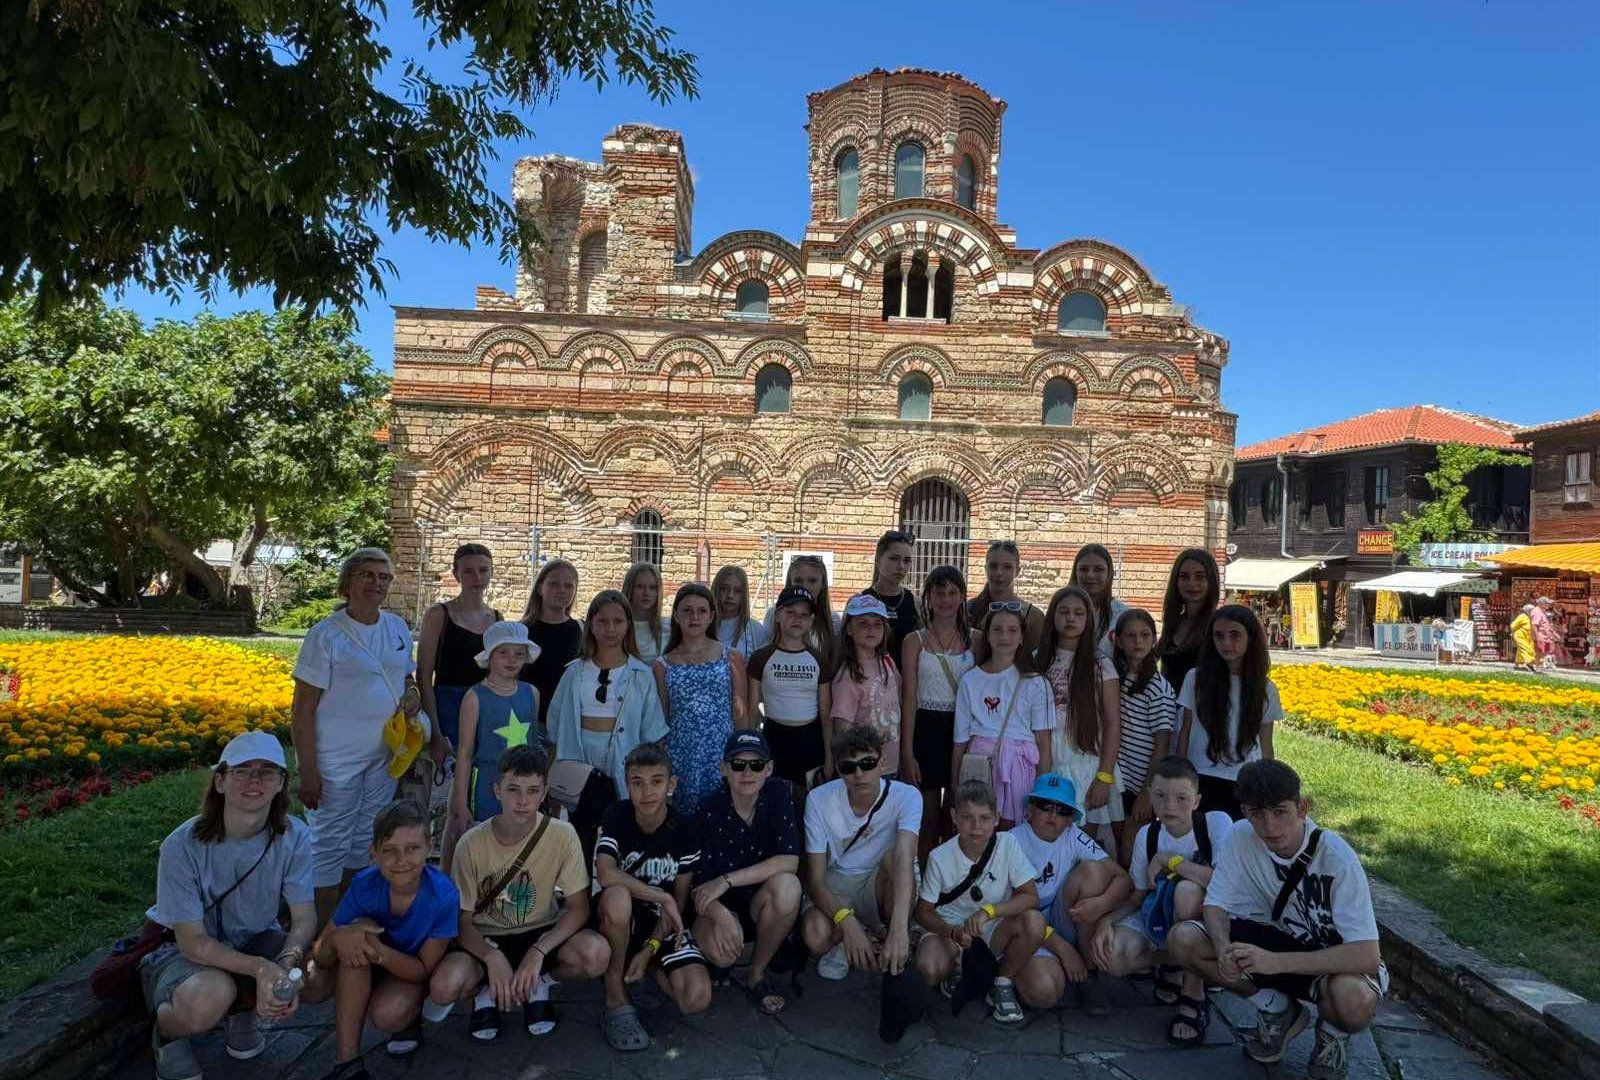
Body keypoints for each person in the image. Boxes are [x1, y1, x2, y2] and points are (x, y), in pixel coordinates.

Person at [1167, 761, 1386, 1080]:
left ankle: (1332, 1035)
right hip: (1274, 940)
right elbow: (1216, 903)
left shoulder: (1338, 859)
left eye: (1280, 812)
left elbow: (1367, 955)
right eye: (1257, 814)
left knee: (1354, 1001)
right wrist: (1223, 946)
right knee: (1184, 939)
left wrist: (1274, 963)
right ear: (1245, 812)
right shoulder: (1240, 836)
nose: (1270, 826)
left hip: (1331, 962)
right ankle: (1277, 1009)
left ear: (1302, 808)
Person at [142, 732, 317, 1080]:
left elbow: (304, 917)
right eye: (242, 771)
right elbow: (192, 942)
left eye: (267, 771)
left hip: (254, 937)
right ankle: (168, 1037)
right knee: (209, 996)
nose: (255, 780)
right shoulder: (181, 845)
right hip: (183, 949)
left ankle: (242, 1013)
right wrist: (261, 969)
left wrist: (286, 964)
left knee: (315, 973)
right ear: (220, 781)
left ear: (281, 783)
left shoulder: (295, 836)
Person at [426, 745, 609, 1043]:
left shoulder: (562, 835)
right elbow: (463, 922)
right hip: (486, 936)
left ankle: (539, 984)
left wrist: (539, 952)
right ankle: (484, 992)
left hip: (540, 931)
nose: (523, 801)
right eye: (513, 789)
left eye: (533, 790)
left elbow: (578, 907)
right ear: (497, 791)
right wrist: (491, 956)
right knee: (444, 986)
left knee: (595, 954)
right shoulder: (471, 844)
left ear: (544, 792)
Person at [292, 547, 420, 925]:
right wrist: (308, 770)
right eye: (367, 575)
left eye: (383, 577)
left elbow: (405, 676)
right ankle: (317, 929)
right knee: (328, 843)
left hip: (384, 758)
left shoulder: (396, 628)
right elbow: (302, 709)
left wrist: (412, 693)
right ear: (348, 582)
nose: (375, 583)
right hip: (336, 760)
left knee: (365, 839)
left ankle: (348, 919)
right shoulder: (326, 635)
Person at [302, 801, 458, 1079]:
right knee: (344, 950)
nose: (401, 860)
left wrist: (377, 950)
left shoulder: (443, 895)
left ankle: (412, 1016)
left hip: (410, 971)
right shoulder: (364, 884)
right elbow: (321, 955)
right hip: (367, 967)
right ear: (373, 853)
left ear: (429, 847)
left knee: (389, 1013)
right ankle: (347, 1063)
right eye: (389, 850)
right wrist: (339, 937)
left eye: (412, 848)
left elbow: (422, 969)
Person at [1087, 756, 1233, 1044]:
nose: (1170, 806)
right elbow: (1138, 895)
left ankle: (1193, 992)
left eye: (1181, 798)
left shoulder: (1215, 824)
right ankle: (1176, 963)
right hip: (1162, 918)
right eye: (1161, 796)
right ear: (1150, 796)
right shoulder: (1148, 834)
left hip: (1211, 923)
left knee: (1186, 892)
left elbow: (1223, 883)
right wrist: (1106, 921)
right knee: (1113, 957)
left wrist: (1170, 860)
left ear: (1196, 800)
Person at [593, 744, 713, 1051]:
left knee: (696, 999)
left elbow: (680, 901)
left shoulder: (685, 828)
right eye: (638, 782)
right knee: (617, 896)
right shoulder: (617, 814)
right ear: (627, 785)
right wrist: (662, 897)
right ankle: (615, 994)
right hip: (621, 921)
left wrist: (651, 948)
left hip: (662, 925)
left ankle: (647, 969)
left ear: (671, 785)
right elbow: (605, 873)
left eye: (657, 781)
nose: (647, 792)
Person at [913, 780, 1045, 1023]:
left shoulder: (1007, 844)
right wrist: (952, 932)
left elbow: (1030, 896)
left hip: (993, 927)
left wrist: (990, 911)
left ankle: (1002, 981)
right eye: (967, 817)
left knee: (1035, 922)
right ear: (954, 816)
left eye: (985, 818)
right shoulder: (939, 856)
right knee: (929, 968)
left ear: (996, 818)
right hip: (952, 930)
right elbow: (923, 912)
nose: (976, 827)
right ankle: (956, 966)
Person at [692, 731, 803, 1015]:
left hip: (758, 902)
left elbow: (789, 861)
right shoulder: (708, 811)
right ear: (723, 768)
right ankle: (718, 960)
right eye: (738, 764)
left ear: (769, 768)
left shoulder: (778, 795)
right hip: (719, 908)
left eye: (756, 764)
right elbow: (698, 889)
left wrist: (727, 880)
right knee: (722, 954)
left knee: (788, 886)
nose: (747, 772)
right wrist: (721, 915)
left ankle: (756, 973)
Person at [801, 726, 920, 981]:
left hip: (877, 878)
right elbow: (816, 880)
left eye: (867, 763)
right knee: (815, 936)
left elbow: (904, 858)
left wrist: (900, 929)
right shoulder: (818, 799)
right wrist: (848, 924)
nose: (859, 774)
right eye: (848, 767)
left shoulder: (907, 796)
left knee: (896, 860)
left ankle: (892, 936)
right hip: (836, 881)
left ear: (882, 763)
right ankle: (854, 939)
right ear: (838, 770)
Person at [1008, 773, 1130, 1015]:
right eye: (1045, 806)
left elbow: (1123, 879)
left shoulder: (1072, 834)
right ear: (1030, 810)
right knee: (1044, 992)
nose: (1053, 815)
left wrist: (1102, 903)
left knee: (1094, 873)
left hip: (1059, 915)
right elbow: (1010, 914)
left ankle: (1088, 975)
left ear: (1070, 819)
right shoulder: (1011, 841)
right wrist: (1063, 949)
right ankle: (1014, 970)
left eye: (1062, 810)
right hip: (1025, 928)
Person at [548, 590, 669, 830]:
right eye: (602, 622)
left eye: (617, 621)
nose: (610, 629)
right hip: (580, 759)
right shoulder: (575, 672)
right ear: (591, 625)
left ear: (628, 625)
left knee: (620, 826)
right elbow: (555, 724)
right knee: (582, 827)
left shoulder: (640, 675)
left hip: (624, 758)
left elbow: (652, 731)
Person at [1037, 586, 1123, 853]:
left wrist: (1104, 777)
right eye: (1063, 612)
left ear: (1088, 619)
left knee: (1082, 850)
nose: (1070, 618)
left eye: (1078, 613)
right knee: (1048, 848)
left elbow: (1113, 724)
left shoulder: (1101, 665)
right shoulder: (1037, 661)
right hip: (1046, 765)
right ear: (1052, 616)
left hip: (1087, 767)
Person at [952, 602, 1054, 827]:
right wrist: (955, 787)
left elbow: (1044, 745)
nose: (1004, 636)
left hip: (1018, 769)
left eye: (1012, 630)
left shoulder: (1036, 682)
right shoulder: (970, 680)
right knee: (979, 829)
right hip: (980, 766)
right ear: (987, 635)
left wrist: (1041, 795)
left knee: (1011, 831)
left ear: (1022, 637)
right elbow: (960, 741)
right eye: (997, 629)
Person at [1176, 605, 1282, 819]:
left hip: (1244, 781)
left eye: (1235, 635)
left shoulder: (1266, 689)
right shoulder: (1195, 679)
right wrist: (1179, 776)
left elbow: (1266, 743)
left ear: (1250, 638)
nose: (1226, 643)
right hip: (1199, 777)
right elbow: (1184, 731)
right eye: (1219, 636)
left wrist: (1267, 785)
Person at [900, 565, 974, 856]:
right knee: (927, 812)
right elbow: (909, 697)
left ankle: (954, 870)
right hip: (926, 728)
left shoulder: (977, 640)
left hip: (963, 729)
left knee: (957, 807)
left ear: (962, 597)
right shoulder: (914, 641)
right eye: (939, 593)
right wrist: (907, 752)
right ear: (928, 597)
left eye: (953, 593)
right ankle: (925, 870)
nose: (946, 600)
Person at [656, 582, 748, 813]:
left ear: (711, 616)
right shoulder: (662, 665)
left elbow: (740, 712)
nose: (694, 617)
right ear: (676, 615)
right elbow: (662, 718)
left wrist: (742, 756)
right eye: (687, 610)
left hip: (722, 753)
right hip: (681, 755)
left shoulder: (731, 657)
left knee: (723, 816)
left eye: (701, 611)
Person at [448, 621, 539, 855]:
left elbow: (534, 745)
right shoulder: (475, 697)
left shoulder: (531, 693)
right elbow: (465, 753)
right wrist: (460, 802)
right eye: (503, 653)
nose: (511, 660)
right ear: (489, 656)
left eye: (519, 654)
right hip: (487, 785)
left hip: (524, 788)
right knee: (485, 848)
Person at [415, 544, 500, 764]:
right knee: (451, 776)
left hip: (486, 705)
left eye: (483, 570)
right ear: (456, 574)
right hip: (448, 706)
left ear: (491, 572)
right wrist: (435, 732)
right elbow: (424, 675)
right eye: (468, 571)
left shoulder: (497, 619)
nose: (477, 577)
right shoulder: (438, 615)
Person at [1111, 608, 1178, 860]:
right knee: (1116, 840)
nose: (1138, 641)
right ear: (1118, 640)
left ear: (1154, 639)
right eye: (1131, 636)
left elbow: (1162, 744)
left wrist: (1147, 792)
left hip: (1141, 782)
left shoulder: (1158, 688)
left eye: (1145, 635)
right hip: (1120, 778)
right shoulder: (1118, 678)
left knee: (1132, 843)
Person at [747, 585, 829, 792]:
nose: (797, 619)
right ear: (777, 616)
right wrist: (749, 751)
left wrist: (829, 757)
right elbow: (751, 711)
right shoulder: (760, 658)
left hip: (810, 741)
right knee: (774, 800)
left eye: (803, 615)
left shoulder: (819, 660)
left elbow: (826, 714)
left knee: (808, 802)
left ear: (811, 620)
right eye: (790, 612)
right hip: (774, 738)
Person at [831, 593, 904, 777]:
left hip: (892, 764)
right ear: (849, 629)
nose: (871, 629)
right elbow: (842, 729)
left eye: (877, 624)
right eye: (863, 623)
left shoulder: (888, 662)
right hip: (865, 770)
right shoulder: (847, 675)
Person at [519, 559, 582, 734]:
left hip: (567, 721)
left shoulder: (582, 631)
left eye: (568, 586)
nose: (561, 590)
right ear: (540, 588)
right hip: (525, 721)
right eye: (554, 584)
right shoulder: (521, 631)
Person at [1156, 548, 1220, 694]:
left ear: (1211, 580)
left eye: (1200, 576)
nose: (1191, 583)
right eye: (1184, 576)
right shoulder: (1173, 623)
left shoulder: (1218, 625)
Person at [966, 540, 1045, 652]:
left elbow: (1039, 658)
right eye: (993, 566)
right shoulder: (968, 609)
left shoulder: (1033, 616)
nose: (999, 572)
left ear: (1017, 571)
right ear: (985, 569)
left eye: (1007, 567)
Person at [762, 554, 838, 659]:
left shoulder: (833, 620)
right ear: (790, 583)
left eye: (812, 581)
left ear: (822, 585)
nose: (805, 586)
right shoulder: (774, 613)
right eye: (798, 580)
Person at [862, 530, 922, 659]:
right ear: (878, 560)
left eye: (907, 560)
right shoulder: (861, 601)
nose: (901, 566)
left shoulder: (916, 604)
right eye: (894, 559)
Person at [1069, 543, 1128, 660]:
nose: (1090, 575)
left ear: (1109, 574)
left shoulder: (1123, 615)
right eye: (1083, 569)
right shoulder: (1060, 612)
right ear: (1075, 573)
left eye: (1099, 569)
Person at [712, 564, 771, 658]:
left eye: (737, 591)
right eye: (724, 589)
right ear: (716, 590)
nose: (730, 595)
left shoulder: (755, 630)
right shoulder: (702, 625)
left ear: (743, 594)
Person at [623, 562, 667, 664]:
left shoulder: (669, 628)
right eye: (639, 586)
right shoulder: (617, 626)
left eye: (652, 587)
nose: (646, 593)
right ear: (630, 588)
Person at [1532, 596, 1561, 670]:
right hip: (1540, 636)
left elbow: (1546, 625)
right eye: (1547, 603)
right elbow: (1534, 625)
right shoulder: (1537, 612)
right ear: (1542, 604)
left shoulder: (1542, 611)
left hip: (1544, 637)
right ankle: (1536, 667)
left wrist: (1554, 633)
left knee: (1543, 653)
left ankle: (1538, 667)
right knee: (1539, 652)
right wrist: (1537, 637)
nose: (1549, 605)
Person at [1510, 604, 1538, 672]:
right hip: (1520, 636)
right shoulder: (1522, 616)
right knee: (1525, 649)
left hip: (1526, 637)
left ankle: (1517, 665)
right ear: (1529, 611)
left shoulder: (1530, 618)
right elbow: (1513, 626)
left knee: (1520, 650)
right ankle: (1529, 663)